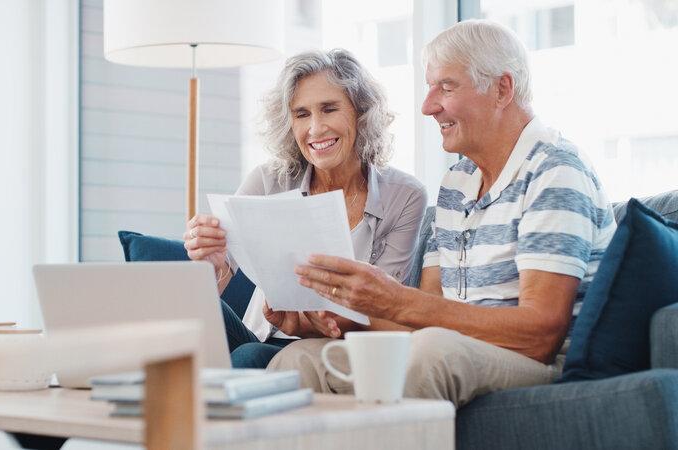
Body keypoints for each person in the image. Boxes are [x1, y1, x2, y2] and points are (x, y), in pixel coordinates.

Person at [267, 20, 617, 408]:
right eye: (429, 87)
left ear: (502, 89)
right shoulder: (457, 182)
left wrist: (396, 299)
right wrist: (340, 314)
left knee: (432, 352)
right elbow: (420, 316)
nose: (428, 106)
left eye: (446, 87)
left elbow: (541, 333)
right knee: (297, 361)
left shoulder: (554, 170)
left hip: (538, 361)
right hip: (452, 348)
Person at [183, 49, 428, 369]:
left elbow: (385, 311)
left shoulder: (404, 196)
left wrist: (313, 321)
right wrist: (212, 263)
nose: (315, 128)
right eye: (301, 114)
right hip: (258, 334)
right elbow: (220, 280)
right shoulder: (268, 180)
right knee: (186, 324)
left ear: (360, 112)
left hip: (338, 347)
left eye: (329, 109)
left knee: (249, 359)